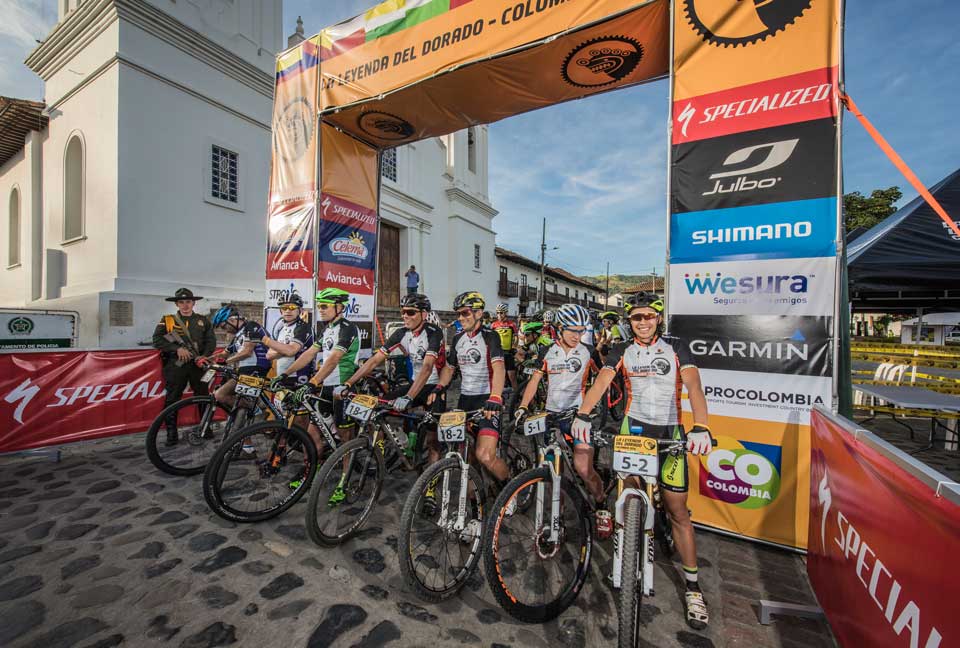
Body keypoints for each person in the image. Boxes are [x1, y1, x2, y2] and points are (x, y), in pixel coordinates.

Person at [573, 291, 714, 630]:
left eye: (648, 316)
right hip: (634, 431)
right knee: (627, 500)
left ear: (658, 318)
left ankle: (693, 587)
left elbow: (694, 386)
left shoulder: (676, 347)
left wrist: (701, 426)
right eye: (637, 317)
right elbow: (603, 381)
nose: (643, 322)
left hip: (671, 434)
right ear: (630, 321)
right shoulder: (623, 350)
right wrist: (582, 413)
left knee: (677, 510)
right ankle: (625, 554)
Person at [514, 304, 604, 526]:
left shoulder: (588, 352)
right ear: (559, 328)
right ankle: (558, 515)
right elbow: (534, 381)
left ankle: (601, 503)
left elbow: (604, 379)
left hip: (577, 417)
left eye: (581, 330)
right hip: (551, 416)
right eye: (572, 330)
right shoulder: (546, 352)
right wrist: (523, 406)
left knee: (584, 468)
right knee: (555, 473)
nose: (578, 335)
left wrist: (595, 407)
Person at [340, 292, 446, 463]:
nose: (405, 315)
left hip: (433, 387)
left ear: (424, 314)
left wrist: (409, 397)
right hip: (414, 384)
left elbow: (427, 368)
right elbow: (375, 360)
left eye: (410, 312)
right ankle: (388, 450)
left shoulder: (434, 332)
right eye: (403, 312)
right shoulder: (401, 333)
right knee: (378, 408)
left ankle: (430, 484)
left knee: (433, 440)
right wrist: (348, 382)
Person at [275, 288, 360, 493]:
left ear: (339, 308)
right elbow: (309, 354)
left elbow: (333, 360)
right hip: (325, 388)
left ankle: (345, 479)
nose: (320, 310)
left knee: (345, 439)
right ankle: (311, 469)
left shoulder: (348, 328)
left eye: (324, 306)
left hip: (341, 389)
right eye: (319, 306)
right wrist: (285, 374)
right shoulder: (328, 329)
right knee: (313, 434)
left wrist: (312, 382)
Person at [428, 291, 510, 485]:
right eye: (458, 314)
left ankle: (509, 488)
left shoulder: (491, 337)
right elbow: (449, 367)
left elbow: (499, 368)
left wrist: (496, 397)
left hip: (488, 399)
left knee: (485, 455)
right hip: (465, 400)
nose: (460, 318)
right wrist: (439, 387)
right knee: (468, 456)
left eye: (465, 313)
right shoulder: (458, 339)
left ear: (479, 313)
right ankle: (476, 499)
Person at [152, 287, 217, 446]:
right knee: (172, 398)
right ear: (177, 304)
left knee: (203, 396)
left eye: (188, 302)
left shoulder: (203, 320)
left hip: (197, 364)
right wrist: (177, 349)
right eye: (181, 302)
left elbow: (211, 341)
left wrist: (204, 356)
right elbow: (157, 340)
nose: (185, 305)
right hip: (176, 365)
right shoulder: (168, 320)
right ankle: (171, 434)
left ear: (193, 303)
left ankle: (205, 428)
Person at [208, 305, 271, 410]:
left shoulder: (251, 326)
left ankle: (257, 409)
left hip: (256, 370)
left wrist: (226, 361)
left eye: (224, 326)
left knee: (220, 395)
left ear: (232, 320)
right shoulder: (238, 335)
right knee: (234, 400)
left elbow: (247, 352)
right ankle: (250, 410)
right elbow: (224, 353)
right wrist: (209, 359)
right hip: (245, 370)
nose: (225, 331)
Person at [260, 294, 314, 385]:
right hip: (282, 375)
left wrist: (284, 349)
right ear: (281, 311)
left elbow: (291, 351)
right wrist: (286, 349)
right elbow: (269, 355)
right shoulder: (280, 328)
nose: (288, 311)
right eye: (284, 308)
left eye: (292, 307)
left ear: (299, 310)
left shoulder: (303, 327)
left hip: (298, 376)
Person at [490, 303, 519, 390]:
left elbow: (516, 337)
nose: (499, 315)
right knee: (498, 376)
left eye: (501, 313)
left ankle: (517, 396)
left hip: (508, 353)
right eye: (498, 313)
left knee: (512, 376)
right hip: (498, 354)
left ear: (506, 313)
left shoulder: (512, 324)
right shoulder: (494, 325)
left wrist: (514, 346)